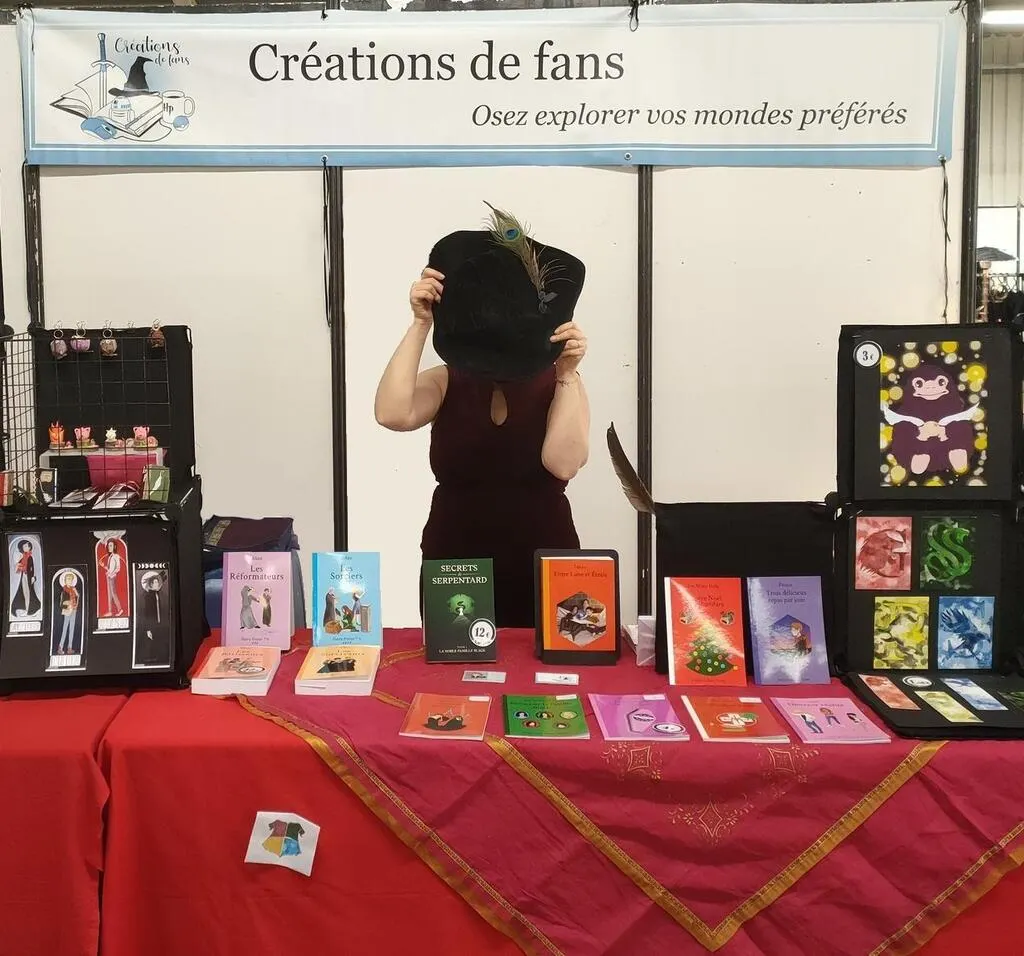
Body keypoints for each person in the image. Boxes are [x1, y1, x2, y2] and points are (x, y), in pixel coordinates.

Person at [374, 204, 589, 627]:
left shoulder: (561, 383)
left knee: (544, 664)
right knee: (456, 663)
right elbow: (392, 413)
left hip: (543, 555)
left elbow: (562, 464)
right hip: (456, 557)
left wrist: (567, 374)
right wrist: (420, 324)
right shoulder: (448, 379)